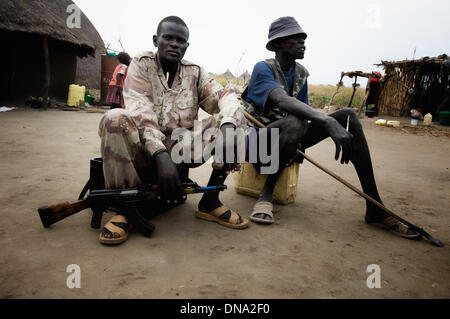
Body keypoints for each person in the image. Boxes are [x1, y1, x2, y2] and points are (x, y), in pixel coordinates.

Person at [242, 16, 420, 239]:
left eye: (304, 38)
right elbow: (282, 100)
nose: (303, 42)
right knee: (298, 120)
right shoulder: (263, 68)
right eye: (296, 38)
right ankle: (265, 195)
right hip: (259, 141)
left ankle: (375, 208)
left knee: (348, 115)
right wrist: (326, 121)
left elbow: (302, 110)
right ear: (278, 44)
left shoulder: (301, 74)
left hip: (286, 135)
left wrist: (320, 130)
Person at [98, 16, 249, 245]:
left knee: (236, 117)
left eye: (181, 40)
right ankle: (125, 207)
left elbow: (225, 96)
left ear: (187, 46)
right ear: (155, 40)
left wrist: (228, 126)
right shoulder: (141, 64)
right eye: (168, 38)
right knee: (114, 117)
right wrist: (160, 154)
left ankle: (210, 201)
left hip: (180, 149)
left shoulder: (195, 72)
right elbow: (140, 112)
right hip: (144, 150)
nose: (174, 44)